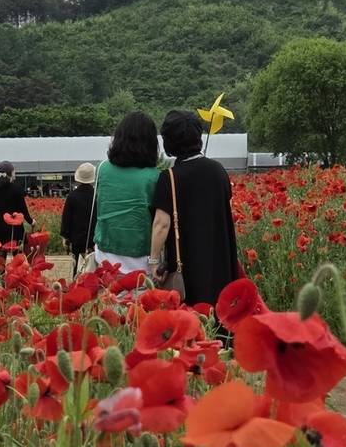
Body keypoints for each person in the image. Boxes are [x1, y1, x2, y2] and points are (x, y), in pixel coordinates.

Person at [149, 110, 239, 305]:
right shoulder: (219, 171)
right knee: (220, 318)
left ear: (169, 142)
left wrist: (154, 261)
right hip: (220, 260)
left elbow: (161, 225)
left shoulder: (169, 178)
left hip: (187, 265)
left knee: (193, 320)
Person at [94, 112, 160, 275]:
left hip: (105, 252)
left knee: (107, 298)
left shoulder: (102, 169)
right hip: (141, 253)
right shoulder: (155, 176)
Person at [0, 162, 36, 263]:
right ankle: (17, 276)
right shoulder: (16, 190)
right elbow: (23, 210)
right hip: (14, 229)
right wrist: (31, 221)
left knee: (0, 257)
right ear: (11, 173)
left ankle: (0, 277)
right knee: (17, 257)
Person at [60, 162, 97, 276]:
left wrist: (65, 237)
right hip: (94, 238)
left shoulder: (72, 196)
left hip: (77, 238)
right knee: (93, 266)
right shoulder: (97, 196)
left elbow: (67, 219)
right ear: (93, 179)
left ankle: (77, 287)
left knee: (78, 265)